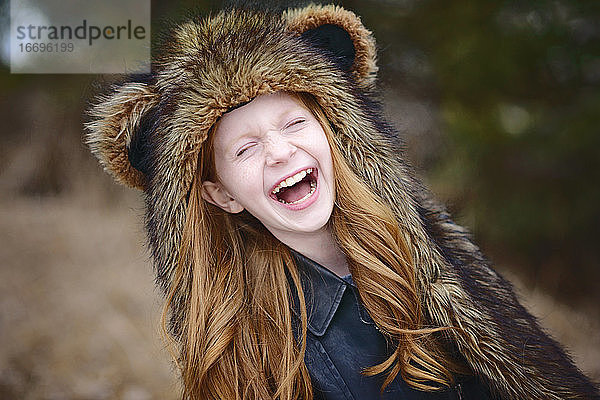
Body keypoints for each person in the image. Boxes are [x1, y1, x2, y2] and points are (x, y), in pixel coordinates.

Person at [85, 4, 599, 400]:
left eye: (294, 124)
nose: (280, 151)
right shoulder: (253, 337)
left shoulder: (422, 253)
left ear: (332, 137)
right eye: (245, 148)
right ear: (221, 195)